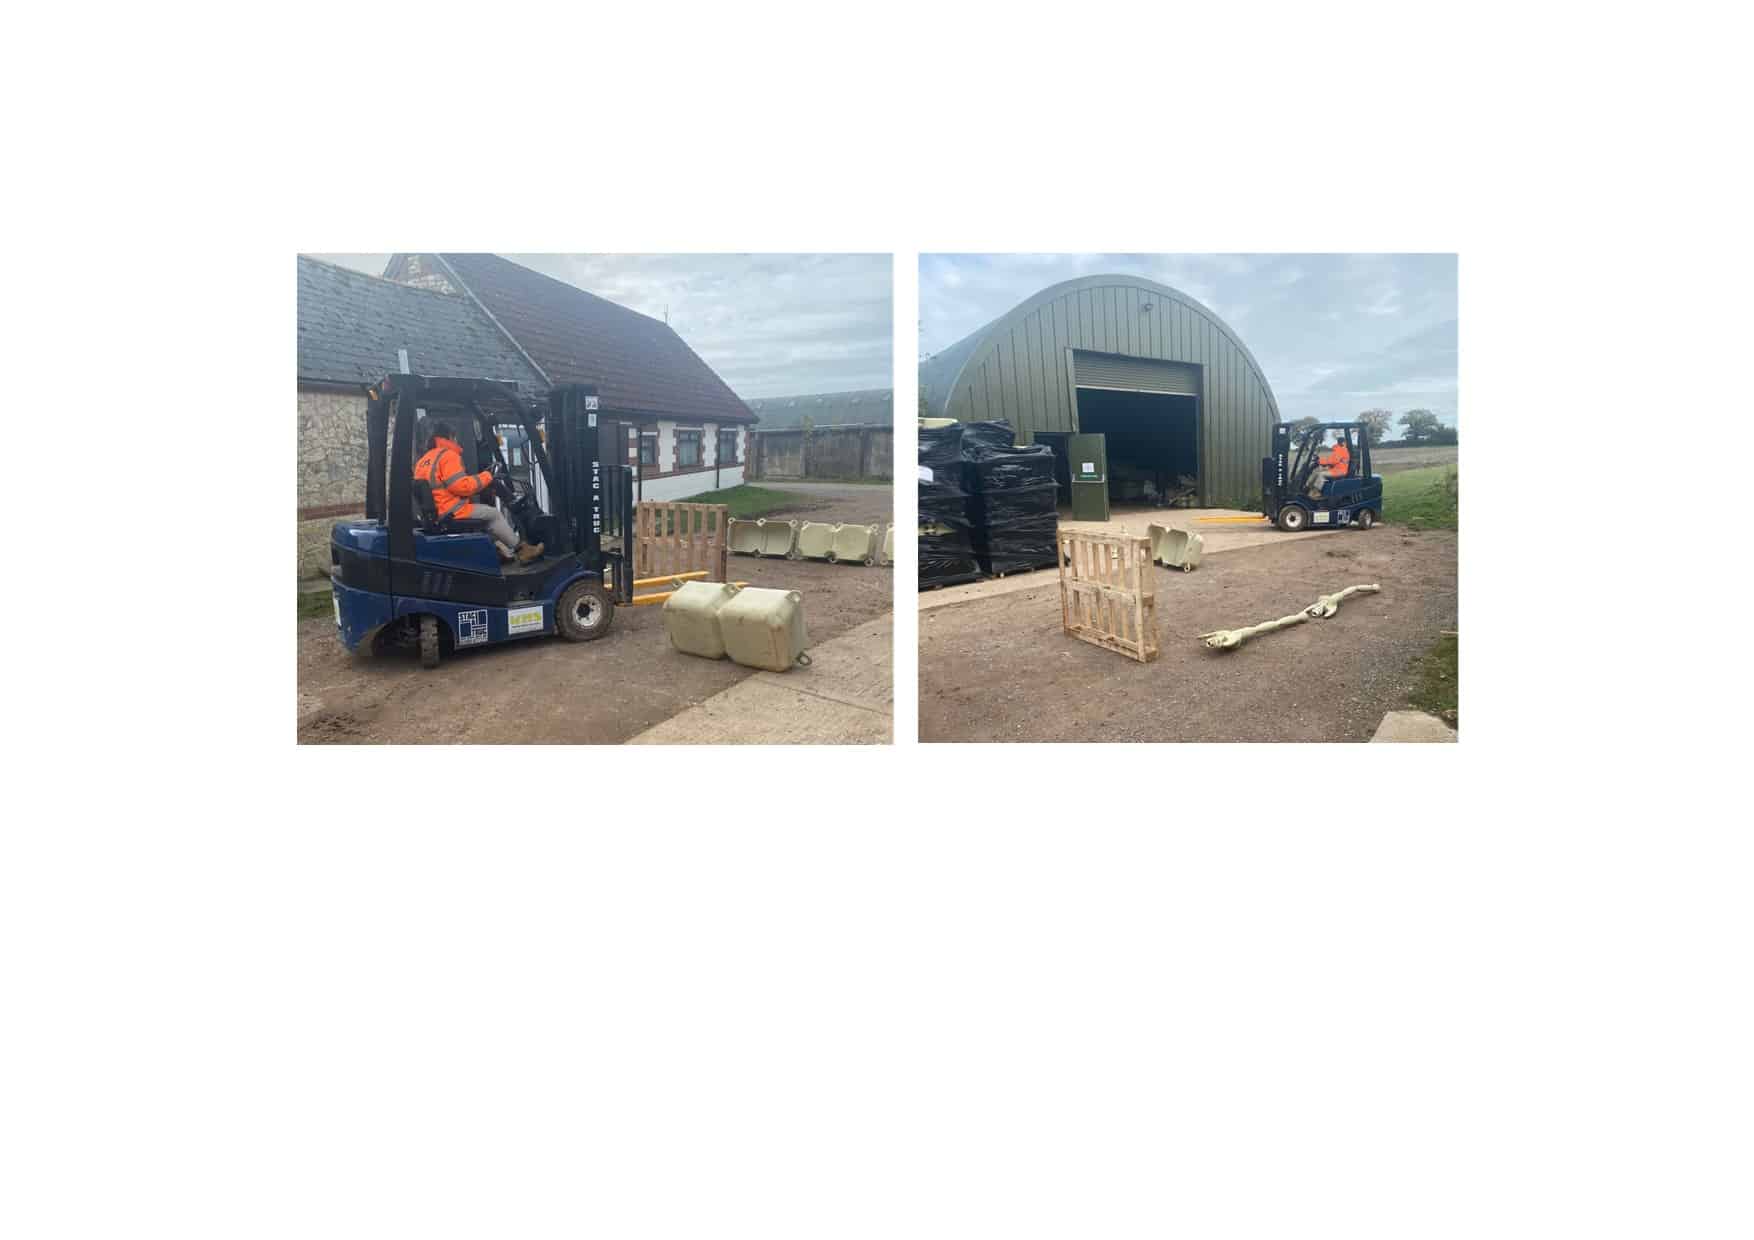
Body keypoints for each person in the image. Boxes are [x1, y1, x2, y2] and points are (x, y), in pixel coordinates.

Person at [415, 421, 543, 563]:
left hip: (438, 511)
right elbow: (461, 486)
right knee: (493, 514)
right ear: (450, 437)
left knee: (484, 515)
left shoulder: (424, 460)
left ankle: (500, 552)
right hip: (451, 511)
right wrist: (487, 476)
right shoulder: (448, 455)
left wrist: (481, 481)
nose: (457, 441)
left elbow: (444, 486)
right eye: (455, 437)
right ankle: (523, 551)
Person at [1309, 432, 1352, 500]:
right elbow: (1331, 460)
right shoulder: (1340, 449)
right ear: (1343, 442)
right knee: (1317, 473)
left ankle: (1316, 493)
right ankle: (1309, 489)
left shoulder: (1342, 450)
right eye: (1344, 442)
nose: (1345, 444)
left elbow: (1333, 461)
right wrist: (1320, 460)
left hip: (1340, 471)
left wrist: (1320, 461)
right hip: (1336, 469)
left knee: (1321, 474)